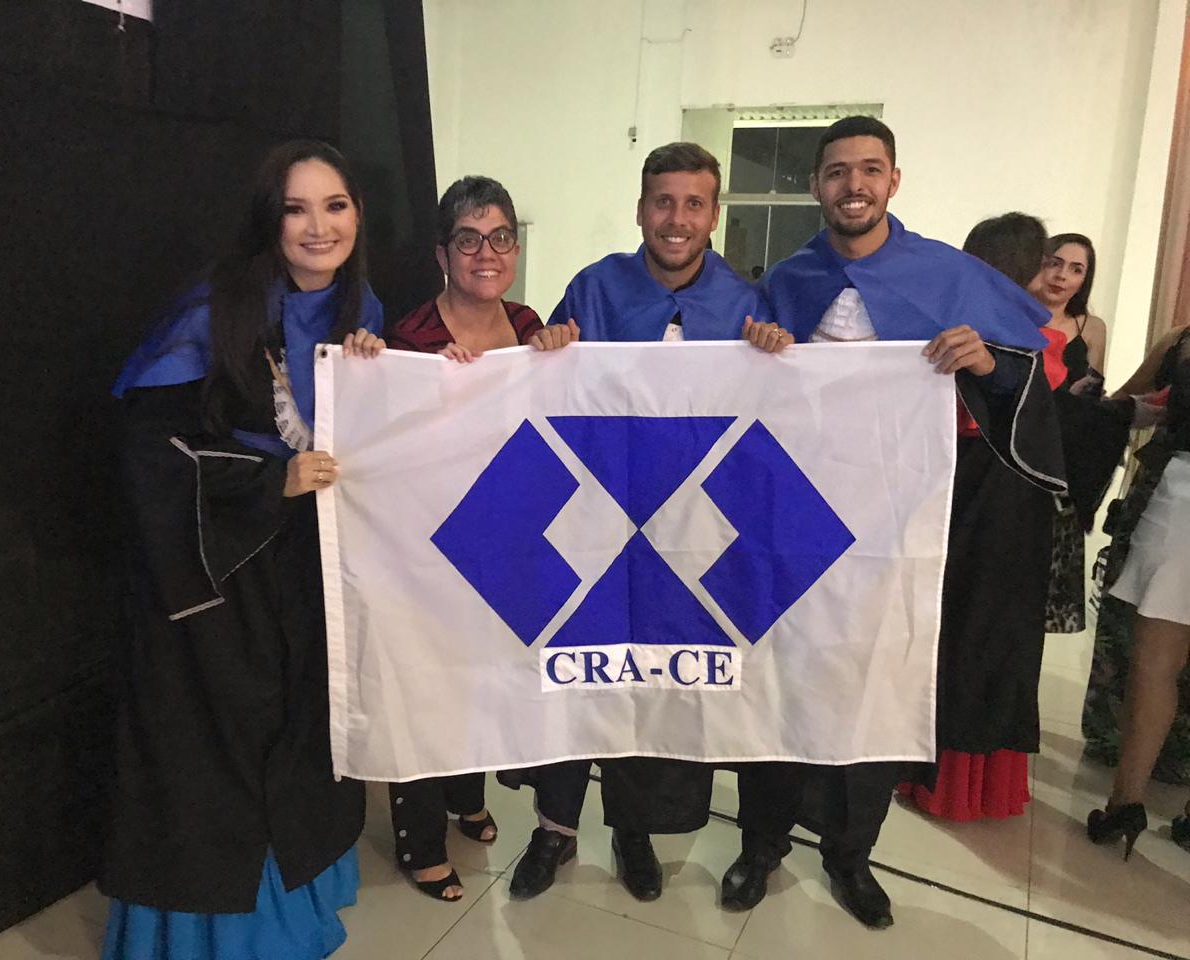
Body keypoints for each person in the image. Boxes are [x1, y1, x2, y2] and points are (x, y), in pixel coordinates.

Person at [737, 118, 1066, 929]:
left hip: (898, 525)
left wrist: (985, 361)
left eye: (870, 169)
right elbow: (741, 389)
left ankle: (850, 855)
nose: (854, 184)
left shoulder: (946, 274)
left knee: (881, 684)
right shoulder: (787, 278)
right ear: (816, 186)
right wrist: (759, 345)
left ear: (893, 180)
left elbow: (1022, 377)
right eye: (837, 171)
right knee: (776, 679)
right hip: (791, 519)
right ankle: (760, 841)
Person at [101, 140, 385, 960]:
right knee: (218, 752)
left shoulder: (360, 308)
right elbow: (149, 455)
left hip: (310, 567)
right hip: (216, 575)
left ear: (357, 214)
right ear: (270, 219)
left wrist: (379, 379)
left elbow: (369, 444)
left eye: (334, 205)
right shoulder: (215, 307)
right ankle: (215, 939)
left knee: (298, 735)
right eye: (296, 208)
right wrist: (270, 484)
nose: (319, 227)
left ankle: (296, 906)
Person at [506, 141, 786, 904]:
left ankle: (633, 831)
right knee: (574, 669)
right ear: (640, 209)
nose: (677, 219)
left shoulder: (746, 303)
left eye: (694, 203)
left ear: (714, 215)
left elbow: (776, 422)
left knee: (652, 679)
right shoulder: (594, 288)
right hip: (595, 518)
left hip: (688, 533)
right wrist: (547, 350)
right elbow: (546, 397)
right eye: (663, 201)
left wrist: (774, 355)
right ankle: (553, 829)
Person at [899, 213, 1137, 824]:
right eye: (1048, 264)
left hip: (970, 494)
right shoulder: (1029, 342)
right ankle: (962, 784)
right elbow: (1059, 423)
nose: (1055, 278)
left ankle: (935, 777)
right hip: (1002, 500)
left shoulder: (970, 332)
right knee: (983, 636)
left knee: (957, 630)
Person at [381, 175, 542, 901]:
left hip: (504, 538)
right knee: (425, 686)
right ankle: (419, 841)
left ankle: (465, 796)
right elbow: (385, 440)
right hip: (426, 545)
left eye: (501, 236)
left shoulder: (531, 324)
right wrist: (418, 387)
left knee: (480, 676)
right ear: (443, 253)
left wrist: (560, 357)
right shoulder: (409, 338)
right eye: (469, 239)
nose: (487, 253)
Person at [1087, 323, 1190, 858]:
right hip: (1179, 492)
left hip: (1182, 494)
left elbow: (1125, 399)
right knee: (1155, 661)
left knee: (1155, 663)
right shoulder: (1179, 339)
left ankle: (1125, 805)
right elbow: (1130, 400)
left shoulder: (1182, 340)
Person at [1031, 234, 1109, 633]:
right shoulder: (1014, 313)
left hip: (1062, 463)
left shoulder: (1090, 328)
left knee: (1043, 588)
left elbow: (1096, 395)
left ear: (1084, 280)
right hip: (1016, 452)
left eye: (1076, 269)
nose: (1062, 276)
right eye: (1055, 263)